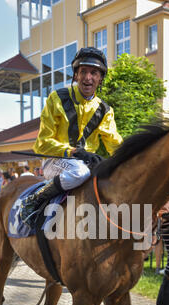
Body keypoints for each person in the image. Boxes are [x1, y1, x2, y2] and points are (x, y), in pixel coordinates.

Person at [25, 47, 122, 213]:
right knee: (79, 172)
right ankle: (35, 199)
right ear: (76, 75)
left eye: (94, 73)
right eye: (83, 71)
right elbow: (42, 144)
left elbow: (115, 144)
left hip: (87, 164)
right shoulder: (57, 98)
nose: (88, 78)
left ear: (100, 79)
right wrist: (74, 152)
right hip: (54, 160)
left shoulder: (105, 110)